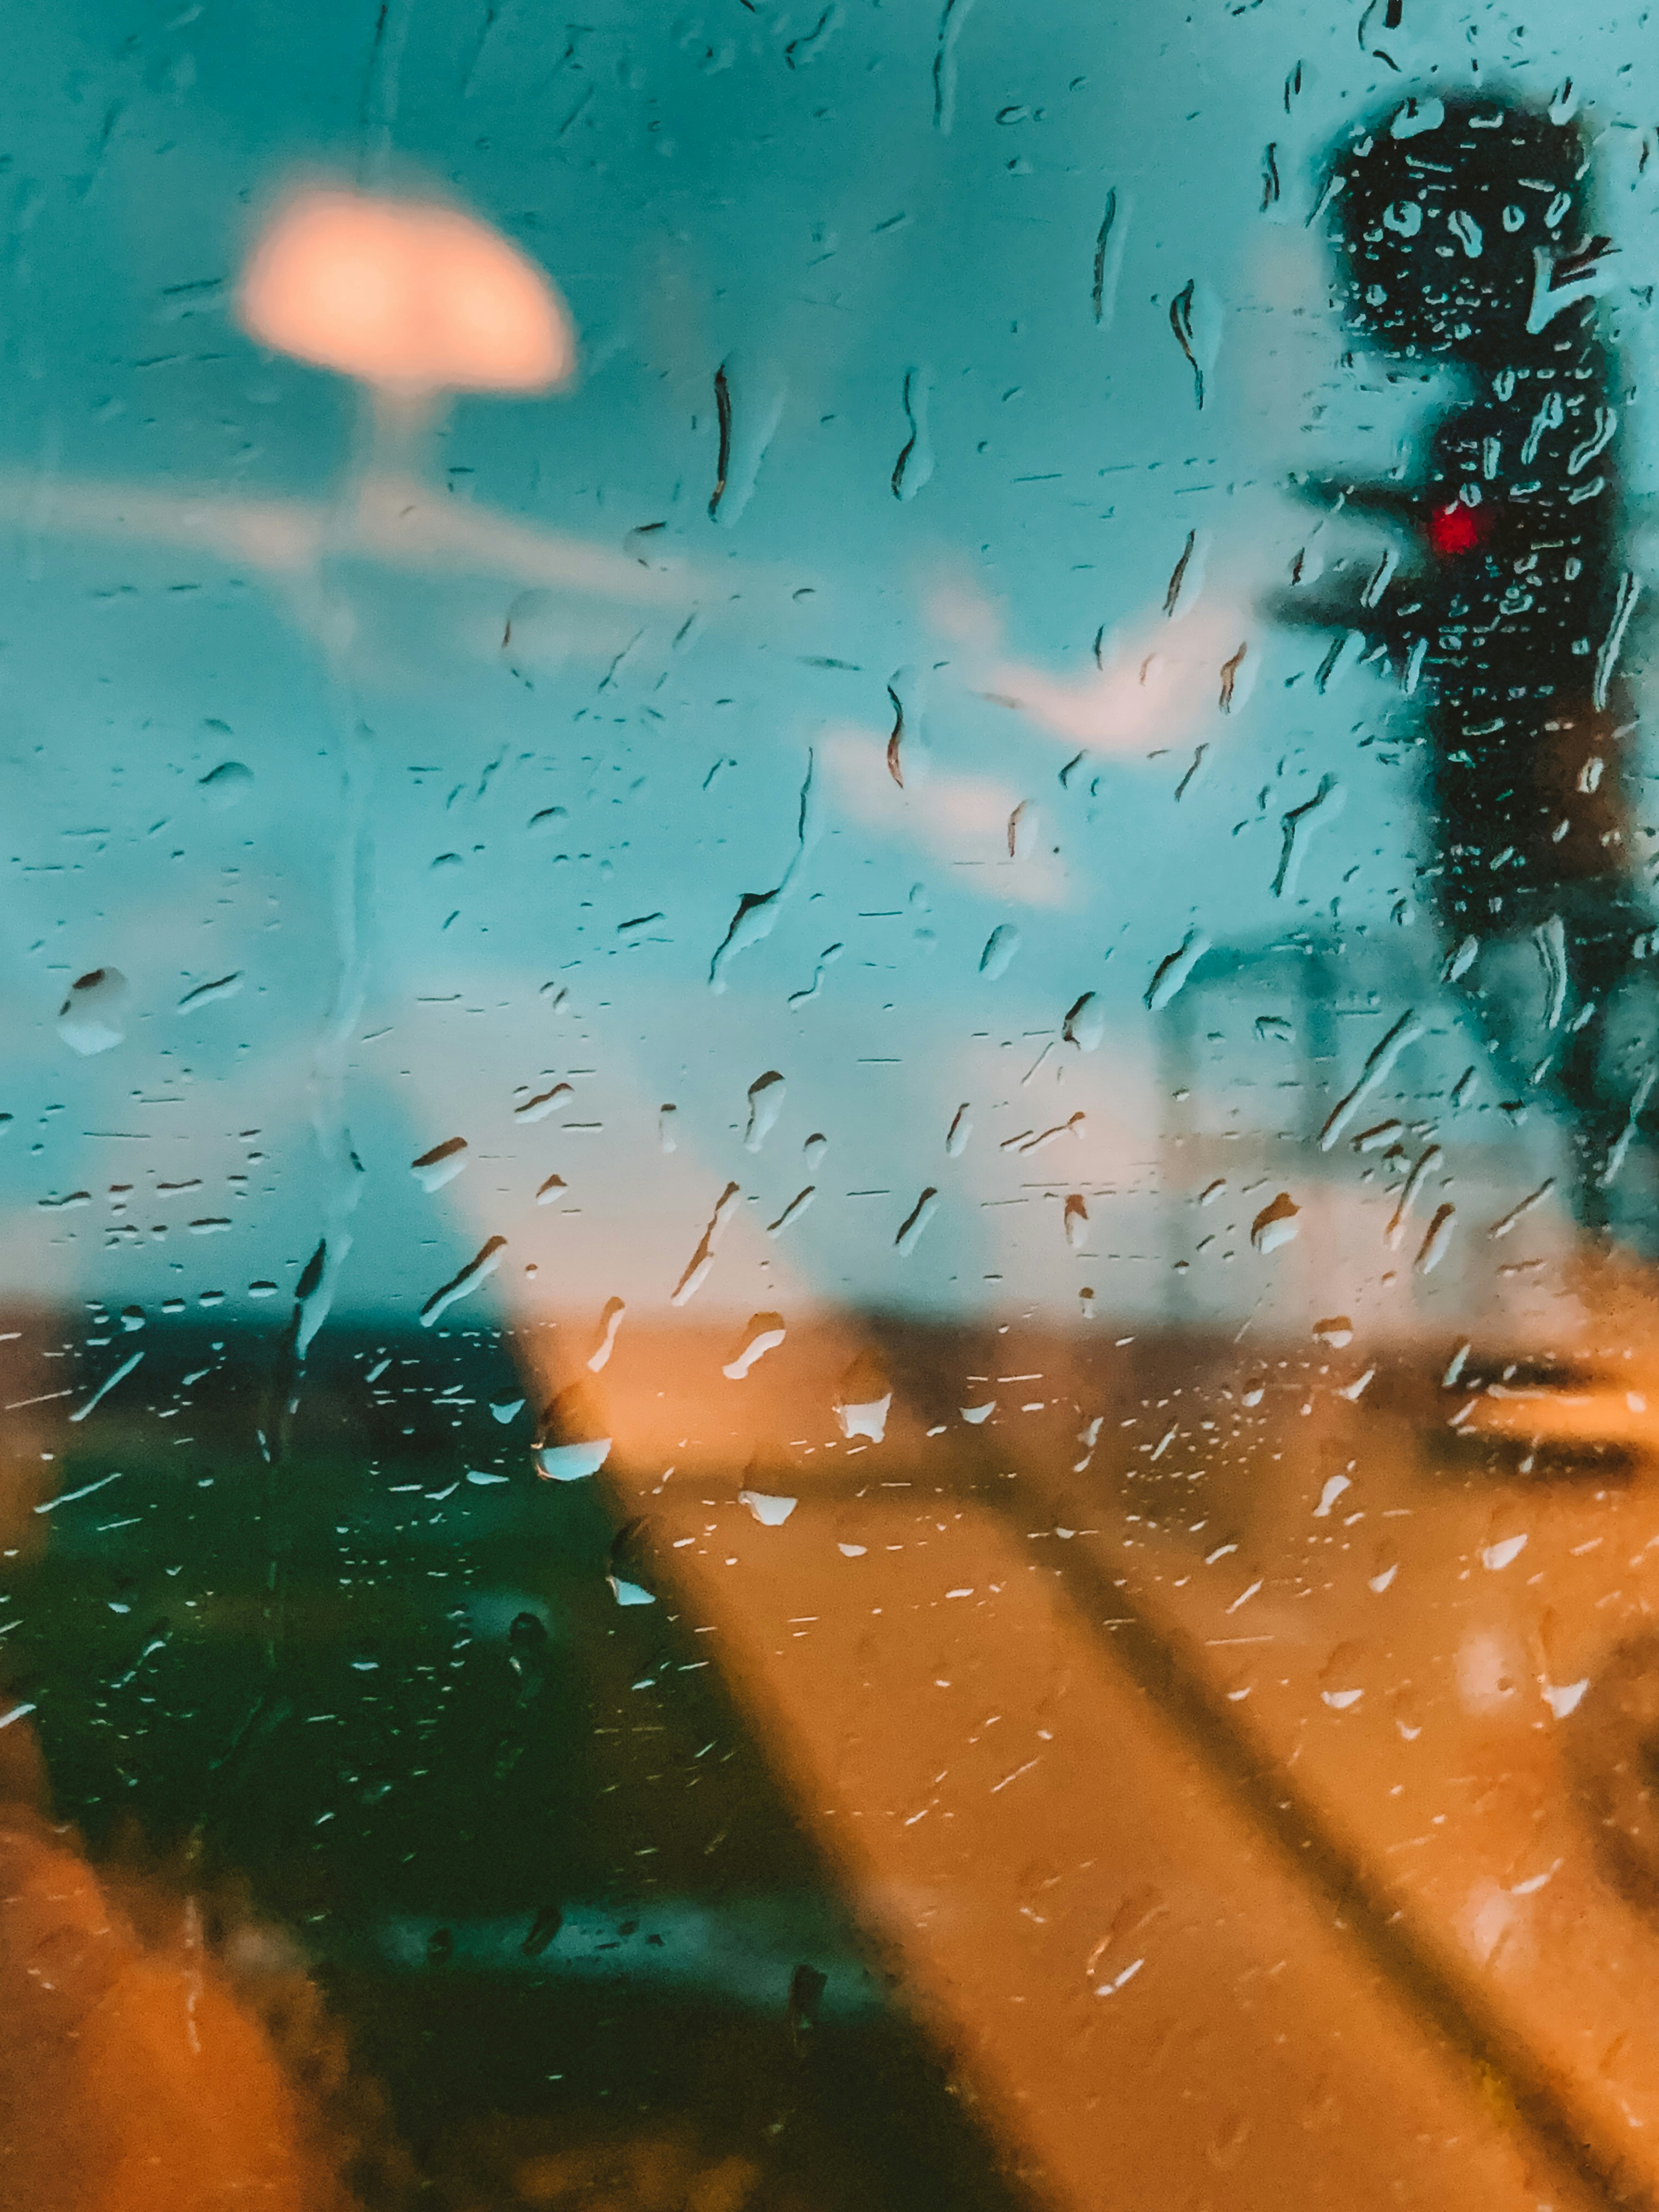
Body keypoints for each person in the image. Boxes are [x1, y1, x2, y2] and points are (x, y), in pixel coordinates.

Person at [1288, 88, 1659, 1256]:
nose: (1352, 285)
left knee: (1575, 1036)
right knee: (1572, 1043)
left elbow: (1534, 593)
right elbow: (1516, 565)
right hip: (1536, 800)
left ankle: (1618, 1249)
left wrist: (1397, 595)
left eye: (1374, 240)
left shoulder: (1537, 401)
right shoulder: (1525, 400)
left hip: (1537, 798)